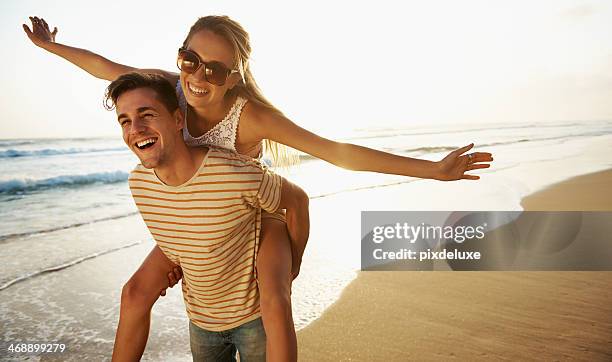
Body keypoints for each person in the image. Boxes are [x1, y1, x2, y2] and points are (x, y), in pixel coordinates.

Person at [23, 15, 494, 362]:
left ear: (236, 76)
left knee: (272, 297)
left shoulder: (252, 117)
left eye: (215, 69)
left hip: (253, 214)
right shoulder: (174, 88)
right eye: (191, 60)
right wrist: (50, 47)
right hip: (197, 217)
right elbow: (106, 66)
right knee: (134, 295)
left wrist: (432, 170)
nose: (199, 76)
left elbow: (337, 152)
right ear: (180, 57)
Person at [106, 71, 309, 361]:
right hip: (203, 321)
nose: (135, 128)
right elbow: (180, 239)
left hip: (254, 318)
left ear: (178, 120)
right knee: (134, 293)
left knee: (277, 300)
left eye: (146, 115)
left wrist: (293, 261)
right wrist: (177, 262)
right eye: (125, 121)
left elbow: (297, 200)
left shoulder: (232, 173)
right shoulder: (139, 184)